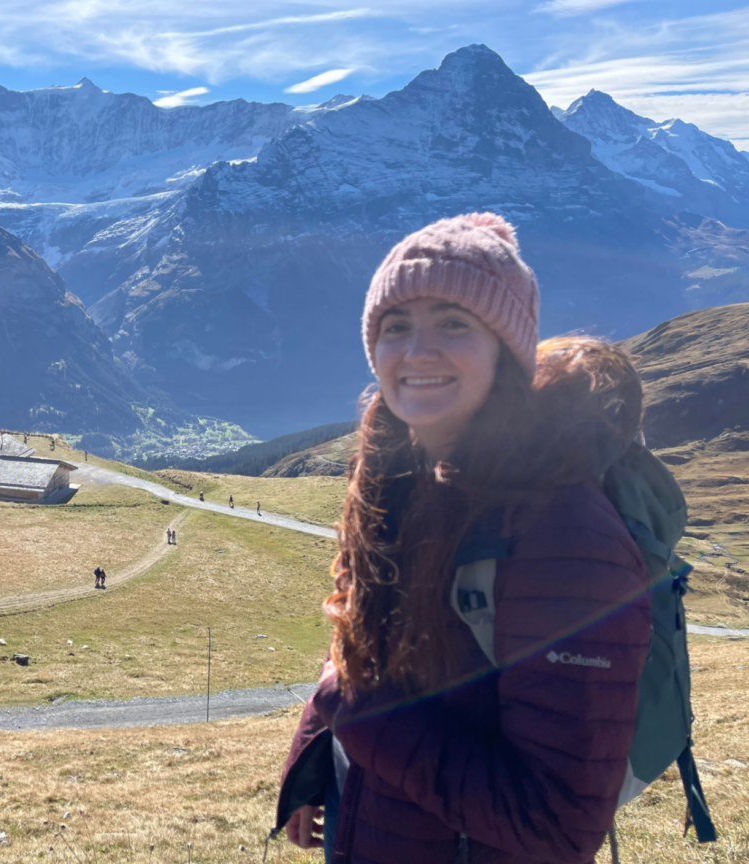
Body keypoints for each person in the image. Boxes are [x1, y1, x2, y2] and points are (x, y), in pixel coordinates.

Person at [278, 213, 652, 864]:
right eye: (397, 326)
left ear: (505, 348)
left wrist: (356, 716)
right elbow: (366, 647)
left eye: (453, 321)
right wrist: (315, 747)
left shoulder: (565, 534)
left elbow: (557, 826)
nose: (418, 350)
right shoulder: (404, 480)